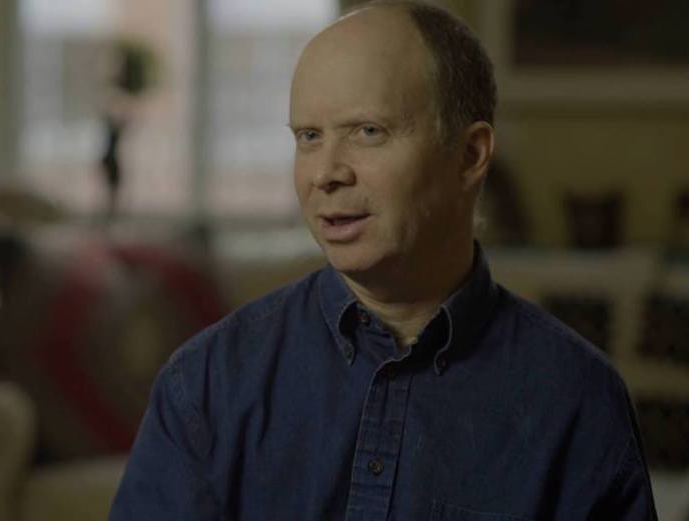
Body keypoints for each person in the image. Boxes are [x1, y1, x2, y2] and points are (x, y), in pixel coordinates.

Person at [110, 1, 659, 519]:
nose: (326, 173)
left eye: (368, 132)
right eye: (308, 136)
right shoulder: (206, 385)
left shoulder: (577, 400)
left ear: (470, 155)